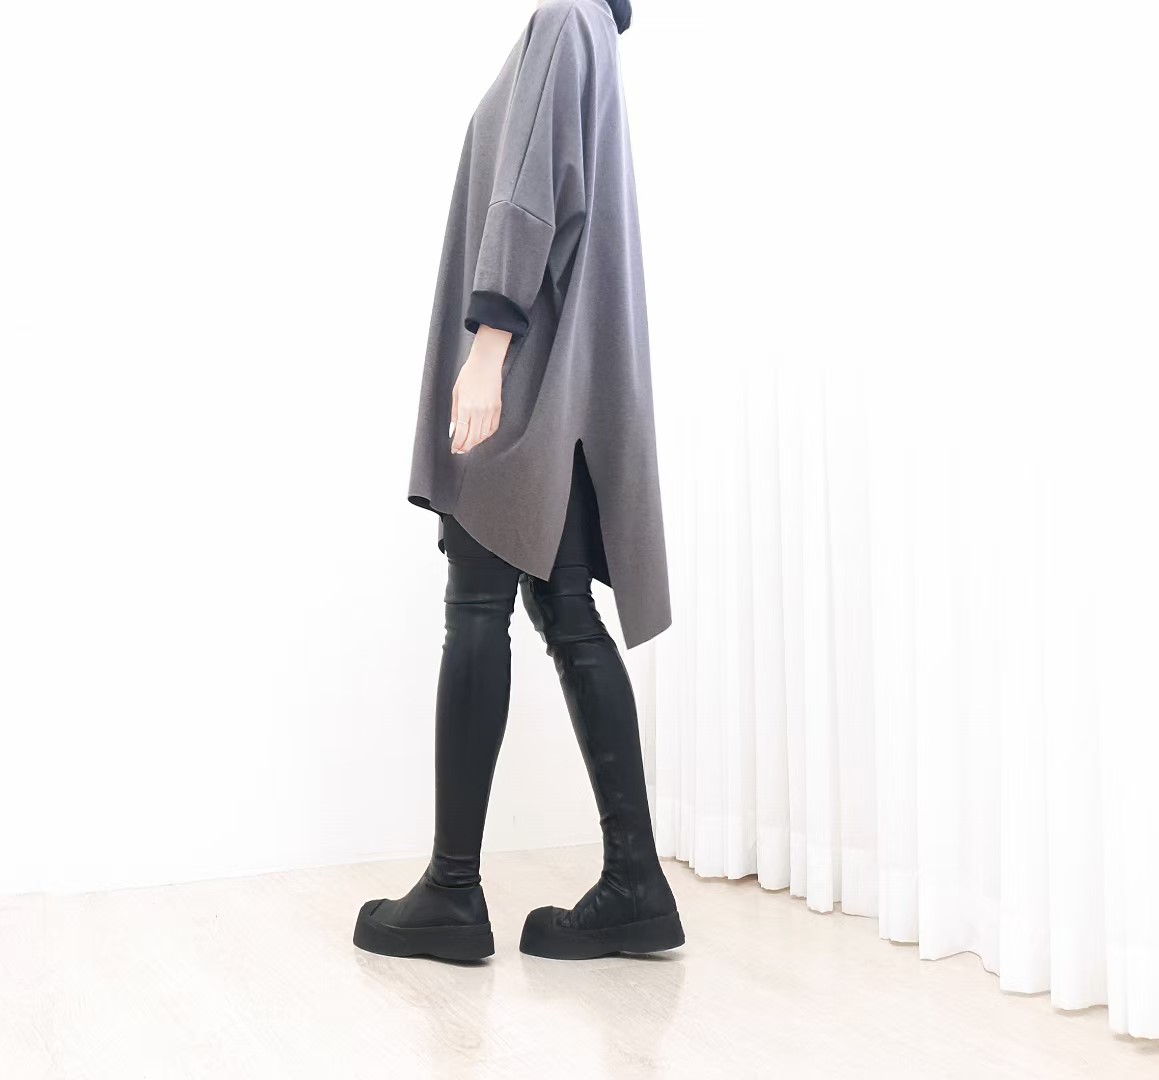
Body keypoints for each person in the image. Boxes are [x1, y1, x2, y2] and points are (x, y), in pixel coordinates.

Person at [353, 0, 682, 961]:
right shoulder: (592, 29)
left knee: (478, 608)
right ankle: (635, 883)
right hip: (566, 381)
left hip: (529, 378)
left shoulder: (563, 15)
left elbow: (533, 195)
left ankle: (452, 894)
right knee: (564, 609)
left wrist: (487, 352)